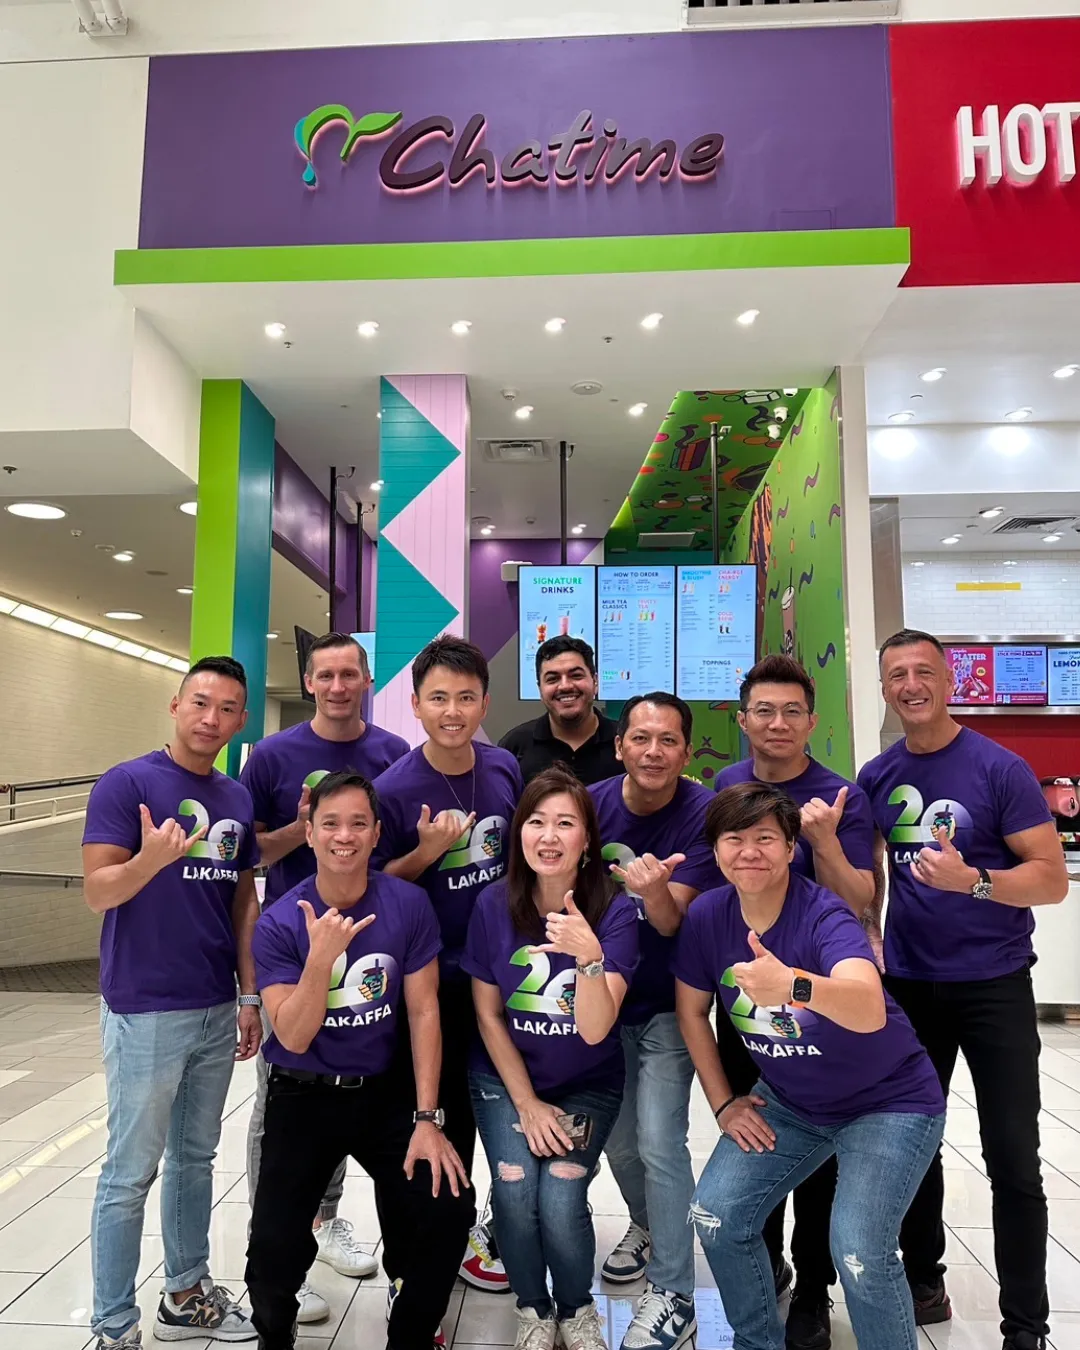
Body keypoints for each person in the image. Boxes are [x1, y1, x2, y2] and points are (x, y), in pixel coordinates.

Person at [675, 782, 946, 1350]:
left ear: (791, 847)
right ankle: (756, 1342)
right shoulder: (706, 915)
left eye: (765, 838)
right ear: (716, 850)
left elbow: (868, 1007)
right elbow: (692, 1013)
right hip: (792, 1102)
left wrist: (793, 985)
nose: (750, 852)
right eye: (734, 839)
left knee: (859, 1250)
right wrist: (724, 1104)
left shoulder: (825, 914)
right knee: (716, 1215)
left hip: (889, 1101)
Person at [858, 629, 1069, 1350]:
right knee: (912, 1144)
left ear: (951, 681)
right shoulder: (878, 774)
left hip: (994, 986)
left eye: (924, 671)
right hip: (910, 985)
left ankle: (1026, 1326)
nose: (911, 685)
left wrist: (972, 880)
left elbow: (1051, 879)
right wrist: (870, 931)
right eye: (896, 674)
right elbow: (868, 872)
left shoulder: (1000, 768)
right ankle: (927, 1280)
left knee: (1012, 1156)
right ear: (884, 687)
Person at [245, 770, 473, 1350]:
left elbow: (423, 1011)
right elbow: (293, 1035)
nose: (343, 836)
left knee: (448, 1209)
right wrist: (320, 958)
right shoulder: (280, 921)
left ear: (376, 834)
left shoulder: (407, 904)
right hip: (302, 1092)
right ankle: (275, 1336)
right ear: (310, 833)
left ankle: (410, 1335)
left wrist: (428, 1119)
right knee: (272, 1250)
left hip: (386, 1091)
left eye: (357, 824)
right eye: (330, 824)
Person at [82, 656, 262, 1349]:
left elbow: (242, 902)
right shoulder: (126, 784)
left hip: (216, 1005)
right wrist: (149, 860)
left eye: (227, 709)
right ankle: (113, 1324)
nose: (211, 718)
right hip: (146, 1008)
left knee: (195, 1158)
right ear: (176, 706)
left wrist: (248, 993)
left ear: (240, 720)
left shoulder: (236, 797)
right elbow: (98, 891)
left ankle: (186, 1296)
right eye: (201, 703)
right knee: (130, 1171)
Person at [240, 632, 408, 1319]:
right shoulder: (272, 756)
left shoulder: (393, 754)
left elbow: (388, 854)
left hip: (372, 951)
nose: (338, 686)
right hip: (295, 951)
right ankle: (283, 1242)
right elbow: (249, 850)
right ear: (309, 683)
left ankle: (326, 1219)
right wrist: (306, 827)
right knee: (285, 1105)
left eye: (349, 674)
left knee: (352, 1096)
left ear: (367, 681)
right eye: (325, 675)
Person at [714, 654, 876, 1349]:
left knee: (818, 1148)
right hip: (743, 1000)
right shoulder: (725, 784)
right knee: (755, 1134)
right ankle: (767, 1266)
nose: (776, 723)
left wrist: (824, 842)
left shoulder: (842, 794)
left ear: (811, 721)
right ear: (743, 719)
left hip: (819, 1005)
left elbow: (861, 898)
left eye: (791, 712)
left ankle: (813, 1289)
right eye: (764, 711)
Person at [463, 765, 639, 1350]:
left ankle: (576, 1308)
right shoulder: (493, 904)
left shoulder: (613, 909)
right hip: (504, 1077)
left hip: (588, 1078)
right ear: (518, 833)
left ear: (587, 839)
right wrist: (527, 1104)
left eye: (566, 823)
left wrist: (589, 957)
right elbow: (488, 1015)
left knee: (560, 1195)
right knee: (515, 1189)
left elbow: (594, 1030)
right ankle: (533, 1309)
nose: (549, 836)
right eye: (536, 821)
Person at [374, 636, 524, 1292]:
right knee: (426, 1121)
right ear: (415, 705)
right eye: (438, 698)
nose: (453, 711)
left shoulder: (503, 768)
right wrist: (426, 853)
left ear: (484, 704)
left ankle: (466, 1236)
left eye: (466, 698)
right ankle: (411, 1270)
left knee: (488, 1117)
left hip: (498, 979)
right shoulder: (393, 789)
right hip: (426, 985)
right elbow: (372, 887)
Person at [588, 692, 722, 1350]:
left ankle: (674, 1290)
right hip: (602, 1000)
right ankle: (646, 1226)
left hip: (670, 1003)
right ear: (619, 747)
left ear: (686, 751)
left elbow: (674, 923)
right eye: (640, 738)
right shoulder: (589, 806)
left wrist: (652, 890)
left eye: (668, 740)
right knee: (618, 1142)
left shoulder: (703, 813)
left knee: (660, 1141)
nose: (653, 751)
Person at [500, 636, 619, 785]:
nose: (565, 686)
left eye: (576, 676)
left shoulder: (625, 742)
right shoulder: (515, 748)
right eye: (552, 679)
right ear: (540, 689)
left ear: (595, 682)